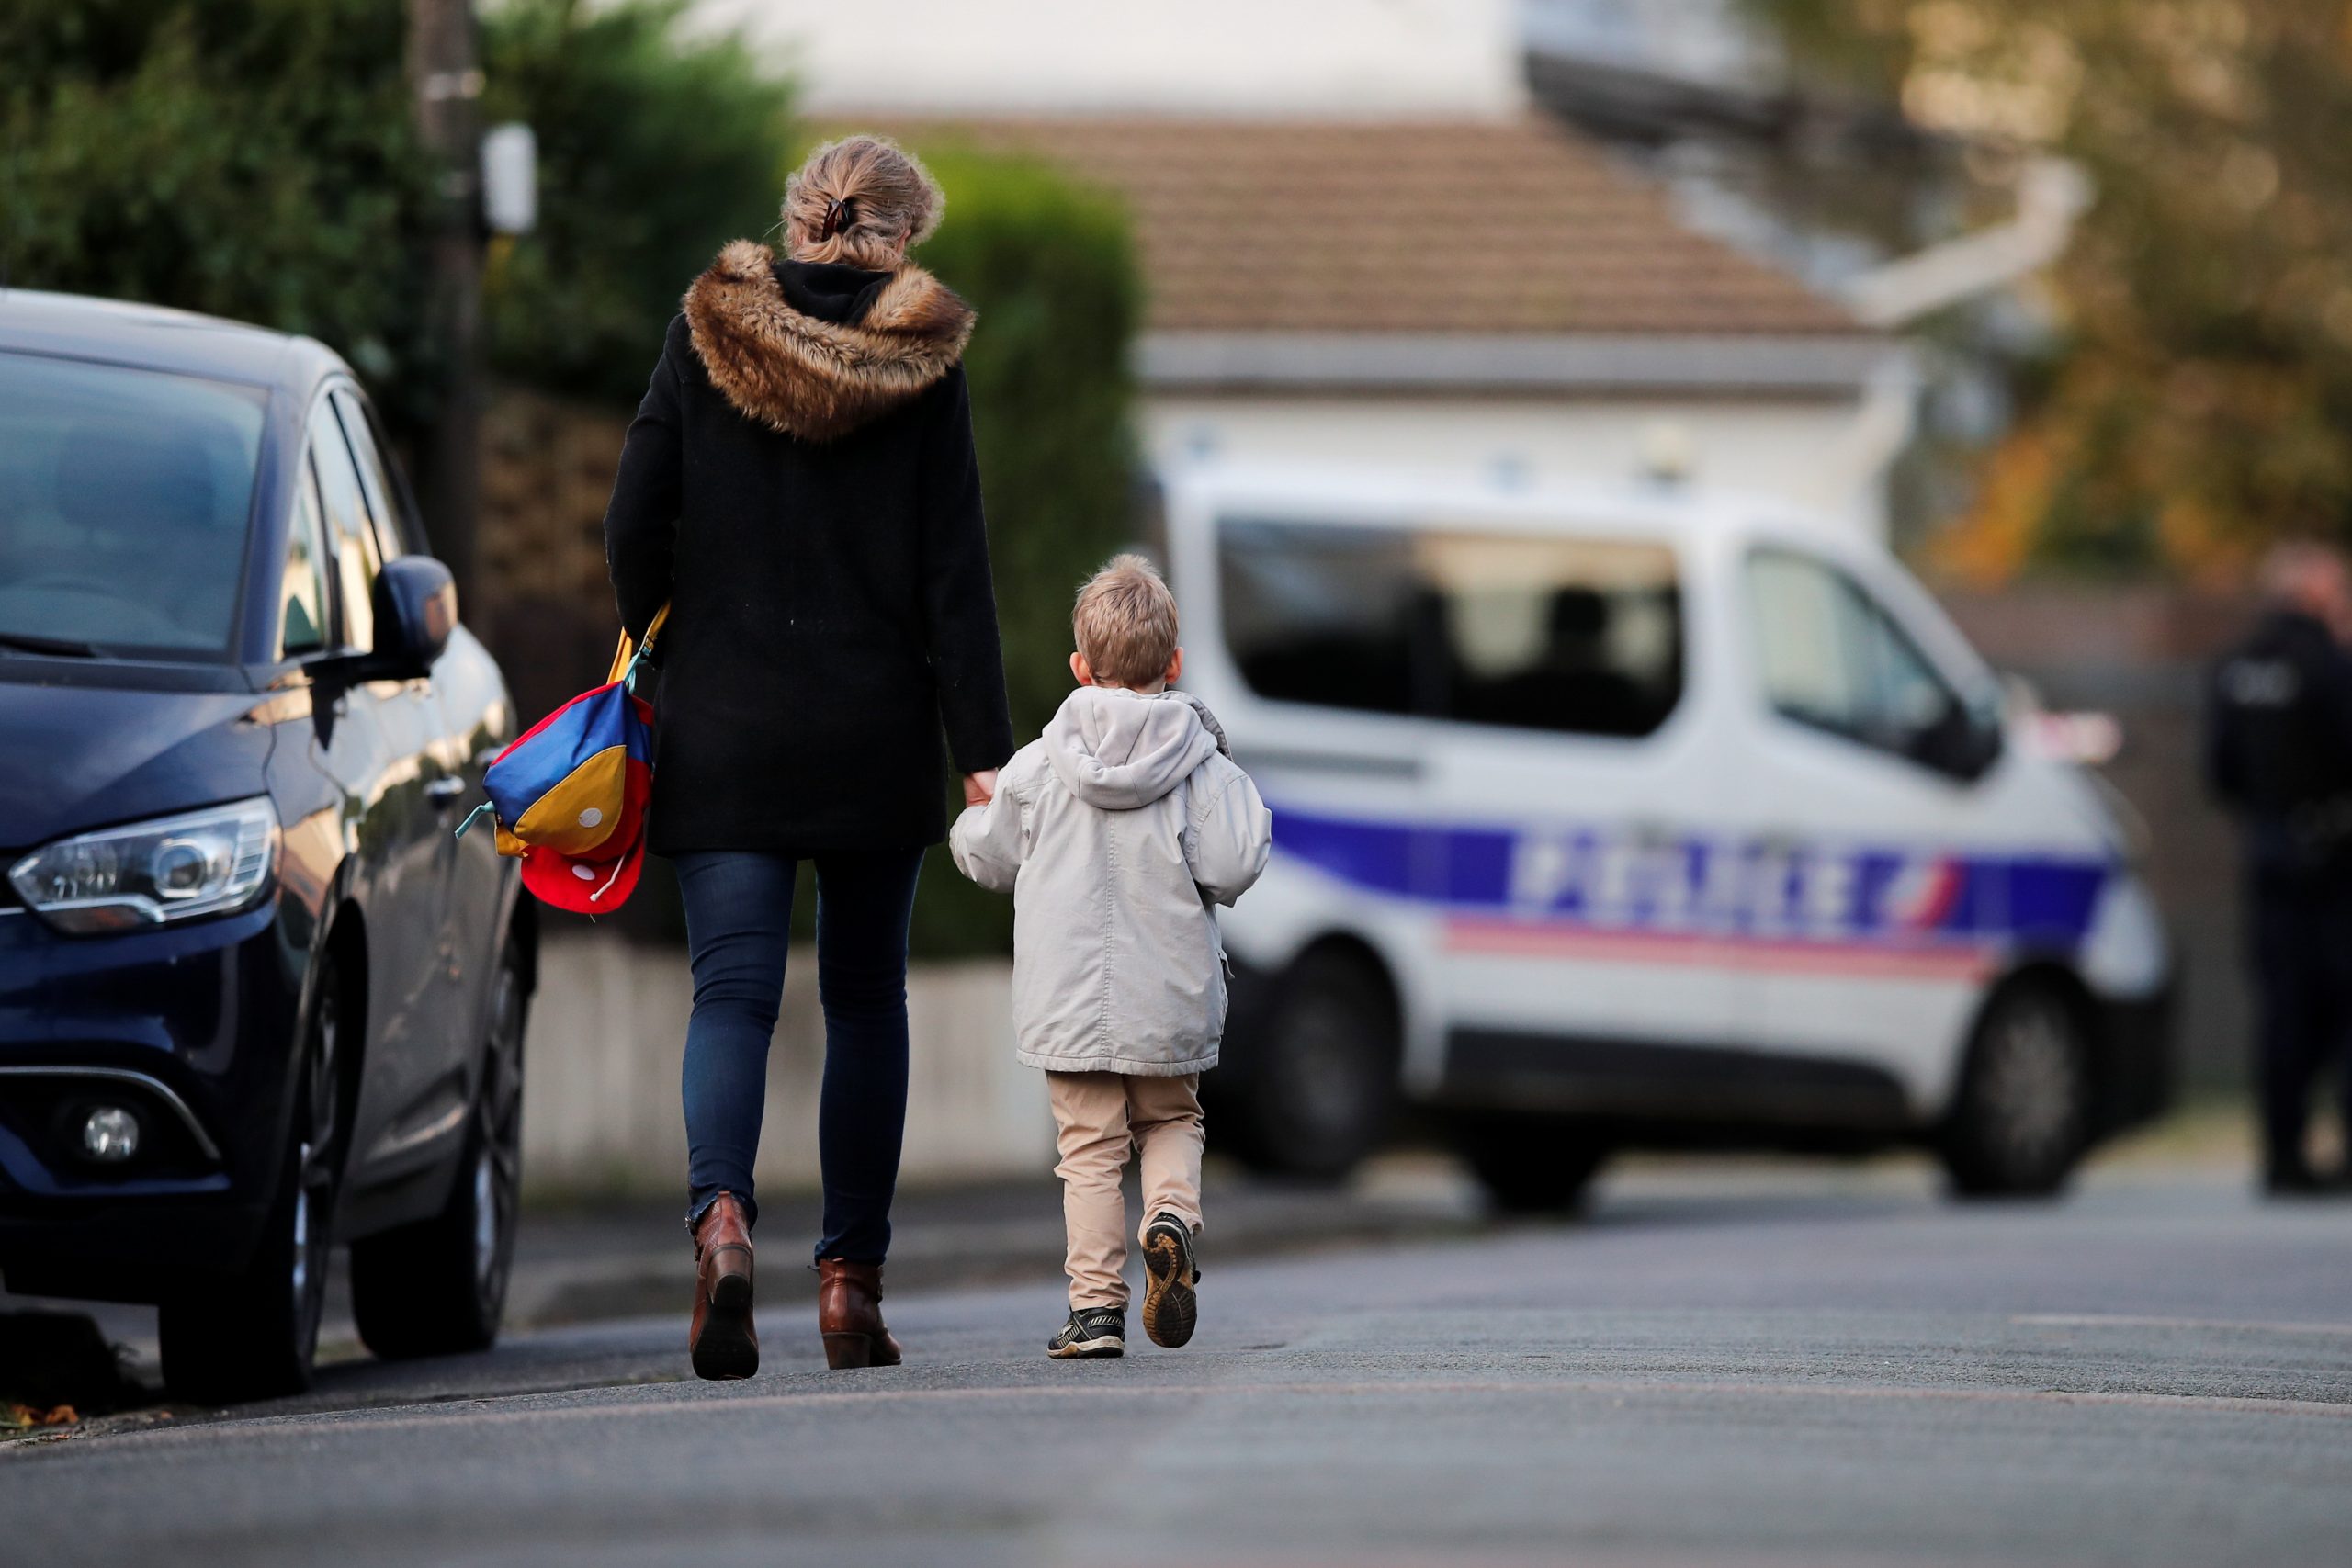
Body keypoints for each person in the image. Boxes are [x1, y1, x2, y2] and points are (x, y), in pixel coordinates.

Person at [602, 136, 1015, 1377]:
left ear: (800, 220)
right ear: (900, 236)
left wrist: (661, 641)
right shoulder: (923, 368)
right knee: (862, 1004)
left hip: (723, 721)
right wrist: (980, 751)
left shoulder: (705, 331)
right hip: (872, 734)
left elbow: (634, 510)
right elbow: (956, 575)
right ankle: (849, 1286)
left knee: (731, 993)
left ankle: (722, 1220)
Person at [950, 556, 1272, 1357]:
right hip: (1168, 990)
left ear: (1079, 667)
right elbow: (1236, 862)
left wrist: (968, 821)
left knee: (1089, 1149)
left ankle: (1095, 1311)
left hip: (1067, 997)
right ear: (1174, 665)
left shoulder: (1036, 765)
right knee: (1170, 1116)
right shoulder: (1202, 763)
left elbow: (990, 858)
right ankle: (1170, 1219)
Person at [2206, 539, 2352, 1196]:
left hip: (2266, 854)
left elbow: (2220, 774)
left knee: (2281, 1011)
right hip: (2336, 858)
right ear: (2319, 593)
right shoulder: (2330, 665)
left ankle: (2281, 1153)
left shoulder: (2235, 665)